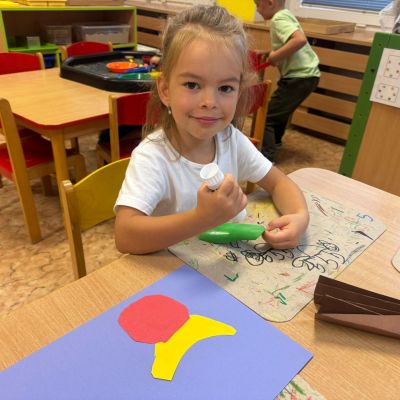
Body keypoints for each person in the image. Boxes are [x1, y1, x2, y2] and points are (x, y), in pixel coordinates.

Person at [114, 5, 309, 255]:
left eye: (225, 88)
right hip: (176, 270)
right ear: (165, 90)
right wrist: (201, 218)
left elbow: (280, 183)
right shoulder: (152, 157)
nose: (210, 102)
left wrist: (299, 216)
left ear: (239, 91)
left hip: (228, 264)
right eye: (192, 84)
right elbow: (125, 236)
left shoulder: (231, 140)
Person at [255, 0, 320, 162]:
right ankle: (275, 143)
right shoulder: (286, 14)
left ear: (270, 2)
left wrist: (275, 57)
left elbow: (299, 40)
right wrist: (269, 53)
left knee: (268, 116)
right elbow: (289, 44)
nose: (257, 9)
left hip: (299, 77)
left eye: (257, 4)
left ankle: (267, 157)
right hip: (305, 76)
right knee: (279, 112)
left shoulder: (278, 19)